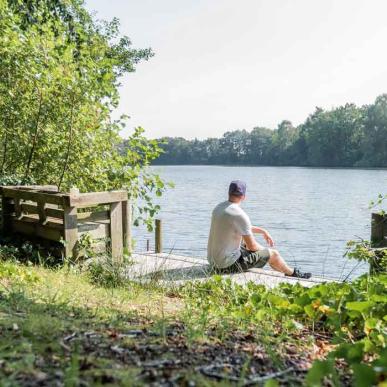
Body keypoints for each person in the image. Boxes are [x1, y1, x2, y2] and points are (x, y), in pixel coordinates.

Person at [207, 180, 312, 279]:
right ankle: (293, 273)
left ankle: (281, 267)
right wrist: (268, 252)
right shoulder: (240, 214)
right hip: (226, 267)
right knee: (273, 254)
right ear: (243, 196)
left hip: (213, 263)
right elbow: (252, 246)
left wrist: (263, 231)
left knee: (244, 243)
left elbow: (238, 227)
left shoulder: (219, 208)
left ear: (229, 193)